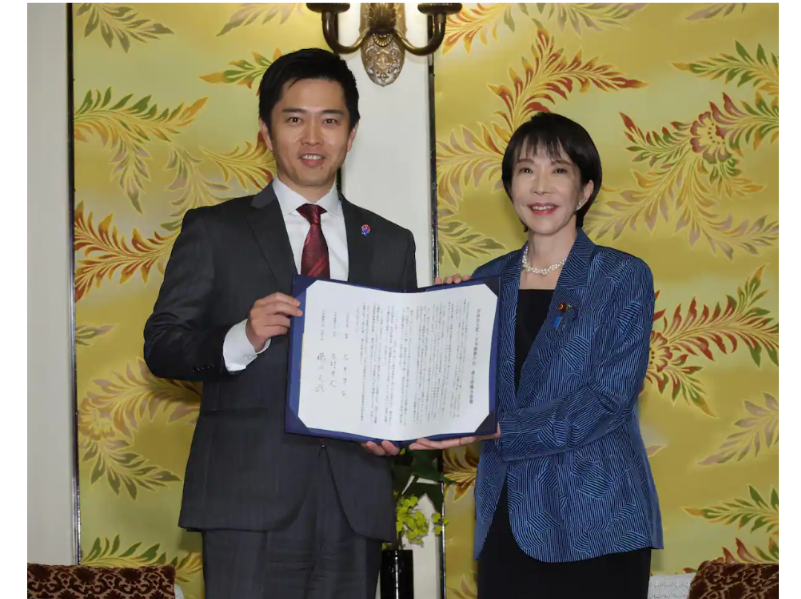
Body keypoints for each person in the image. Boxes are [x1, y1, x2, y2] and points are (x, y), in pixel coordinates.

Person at [144, 48, 417, 599]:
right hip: (247, 501)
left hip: (354, 501)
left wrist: (398, 431)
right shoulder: (214, 230)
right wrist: (242, 337)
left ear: (352, 133)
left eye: (330, 120)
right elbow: (162, 344)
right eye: (295, 119)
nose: (313, 137)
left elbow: (400, 367)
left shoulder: (391, 242)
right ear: (266, 133)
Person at [411, 113, 662, 598]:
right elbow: (460, 390)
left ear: (585, 190)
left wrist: (501, 428)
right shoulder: (486, 281)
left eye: (559, 170)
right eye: (526, 170)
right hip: (507, 514)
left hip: (597, 520)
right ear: (510, 187)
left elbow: (607, 401)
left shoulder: (621, 276)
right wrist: (446, 321)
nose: (541, 186)